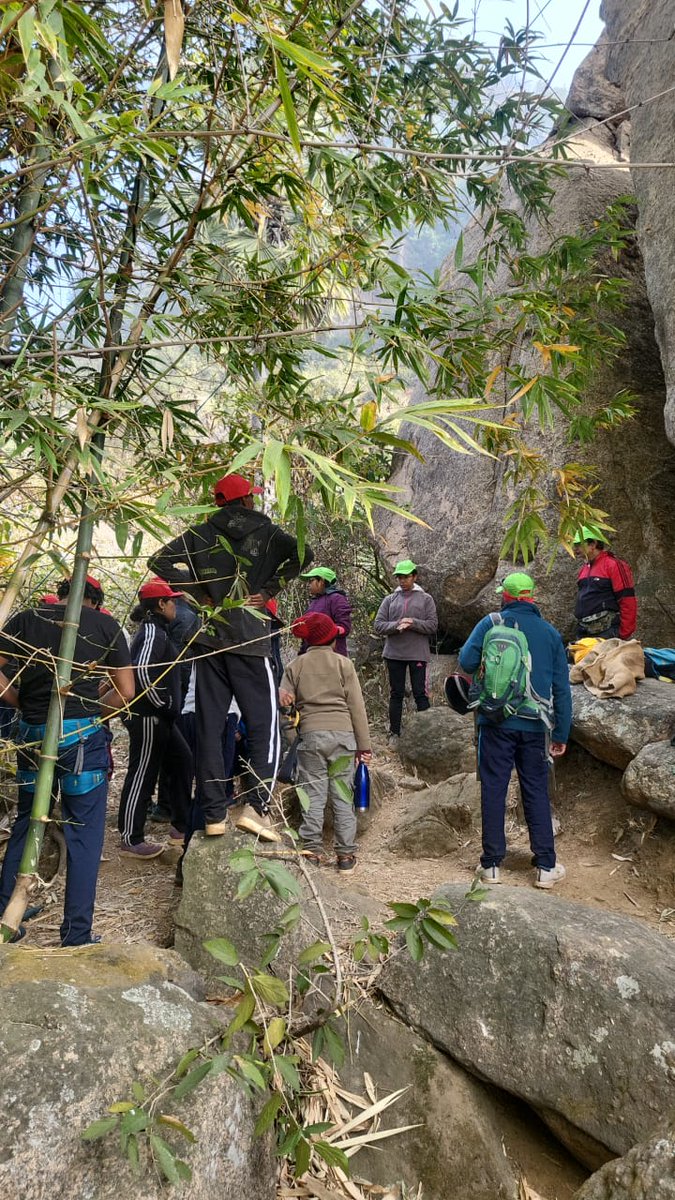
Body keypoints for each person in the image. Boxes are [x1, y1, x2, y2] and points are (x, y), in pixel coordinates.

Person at [148, 471, 312, 842]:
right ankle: (257, 807)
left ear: (220, 502)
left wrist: (199, 592)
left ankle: (213, 814)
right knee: (265, 723)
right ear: (247, 501)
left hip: (210, 639)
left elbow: (159, 561)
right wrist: (268, 588)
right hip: (250, 639)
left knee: (209, 725)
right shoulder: (268, 533)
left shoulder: (200, 536)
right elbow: (304, 554)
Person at [0, 575, 133, 944]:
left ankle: (4, 916)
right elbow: (126, 691)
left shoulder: (28, 619)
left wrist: (18, 700)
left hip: (32, 732)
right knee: (84, 834)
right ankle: (76, 933)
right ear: (94, 600)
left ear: (59, 597)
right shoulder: (105, 624)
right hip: (81, 738)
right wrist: (91, 712)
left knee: (27, 820)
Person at [458, 571, 571, 889]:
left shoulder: (490, 623)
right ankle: (546, 866)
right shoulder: (550, 633)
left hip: (494, 722)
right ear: (531, 597)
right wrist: (561, 733)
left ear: (505, 596)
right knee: (535, 789)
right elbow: (562, 689)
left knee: (494, 787)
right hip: (536, 725)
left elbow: (466, 661)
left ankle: (492, 865)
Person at [279, 612, 371, 872]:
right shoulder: (344, 665)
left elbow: (284, 707)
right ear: (332, 638)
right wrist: (364, 746)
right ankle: (345, 856)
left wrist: (294, 740)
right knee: (343, 795)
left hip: (310, 737)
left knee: (313, 796)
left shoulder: (295, 666)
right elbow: (357, 707)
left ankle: (312, 852)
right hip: (343, 737)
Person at [117, 579, 192, 859]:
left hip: (160, 716)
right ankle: (131, 838)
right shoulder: (151, 631)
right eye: (172, 601)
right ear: (161, 604)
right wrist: (165, 703)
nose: (175, 605)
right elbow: (143, 671)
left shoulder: (158, 630)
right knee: (142, 773)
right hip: (148, 716)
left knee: (183, 761)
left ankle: (181, 826)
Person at [373, 560, 438, 747]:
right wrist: (397, 625)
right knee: (396, 694)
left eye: (406, 576)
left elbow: (433, 625)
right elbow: (378, 625)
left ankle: (426, 735)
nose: (403, 581)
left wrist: (413, 622)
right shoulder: (390, 600)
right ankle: (394, 733)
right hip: (394, 654)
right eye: (400, 577)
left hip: (417, 654)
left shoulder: (426, 599)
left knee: (420, 693)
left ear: (414, 576)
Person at [574, 526, 637, 641]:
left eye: (579, 544)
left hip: (607, 632)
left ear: (593, 544)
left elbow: (627, 599)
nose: (575, 549)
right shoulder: (584, 569)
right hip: (584, 632)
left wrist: (623, 634)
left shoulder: (614, 565)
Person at [299, 567, 352, 657]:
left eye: (311, 581)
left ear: (321, 581)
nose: (309, 585)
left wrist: (324, 632)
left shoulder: (337, 599)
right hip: (312, 654)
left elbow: (344, 627)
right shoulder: (315, 601)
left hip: (332, 656)